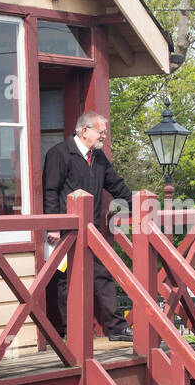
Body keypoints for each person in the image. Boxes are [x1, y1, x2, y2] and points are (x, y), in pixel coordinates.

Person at [43, 110, 133, 342]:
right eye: (101, 132)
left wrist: (140, 204)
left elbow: (116, 184)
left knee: (103, 275)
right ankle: (68, 332)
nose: (104, 137)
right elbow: (51, 191)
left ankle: (116, 328)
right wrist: (53, 226)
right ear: (85, 131)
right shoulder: (59, 154)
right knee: (66, 281)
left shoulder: (99, 157)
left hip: (92, 231)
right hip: (66, 232)